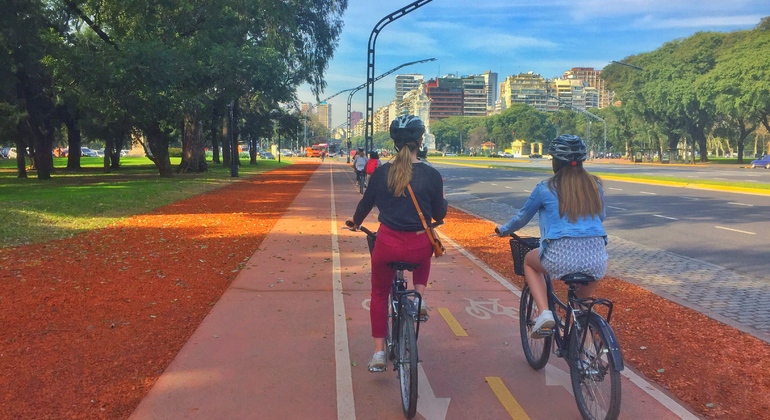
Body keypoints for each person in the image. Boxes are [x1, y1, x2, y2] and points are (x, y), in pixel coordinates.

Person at [346, 114, 447, 372]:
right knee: (426, 245)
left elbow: (365, 205)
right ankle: (419, 298)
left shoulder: (381, 174)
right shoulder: (432, 175)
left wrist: (356, 223)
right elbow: (439, 215)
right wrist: (441, 203)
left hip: (387, 245)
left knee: (379, 294)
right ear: (419, 141)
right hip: (418, 247)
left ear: (393, 143)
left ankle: (379, 353)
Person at [495, 134, 607, 338]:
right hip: (596, 258)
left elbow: (522, 218)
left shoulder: (545, 188)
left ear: (555, 161)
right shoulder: (595, 185)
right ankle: (588, 350)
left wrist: (504, 230)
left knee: (529, 262)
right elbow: (601, 217)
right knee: (582, 307)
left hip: (559, 257)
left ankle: (545, 313)